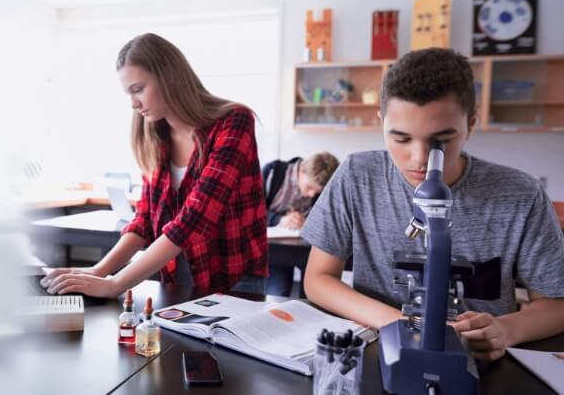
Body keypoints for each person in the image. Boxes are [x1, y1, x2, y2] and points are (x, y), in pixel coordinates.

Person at [302, 48, 564, 361]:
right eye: (400, 138)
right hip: (380, 353)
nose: (419, 159)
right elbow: (317, 279)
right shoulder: (357, 175)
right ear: (381, 122)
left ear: (470, 124)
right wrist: (404, 325)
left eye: (440, 141)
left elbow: (556, 304)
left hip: (481, 364)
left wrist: (507, 329)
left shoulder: (521, 194)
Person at [42, 33, 268, 297]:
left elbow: (196, 218)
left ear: (168, 77)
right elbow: (145, 220)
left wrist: (117, 284)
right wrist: (100, 270)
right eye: (129, 93)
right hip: (177, 274)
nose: (133, 103)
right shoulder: (155, 135)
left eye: (138, 89)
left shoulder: (234, 121)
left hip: (232, 275)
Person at [262, 152, 339, 296]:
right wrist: (279, 220)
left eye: (316, 191)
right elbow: (250, 212)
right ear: (301, 170)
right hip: (276, 251)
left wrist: (308, 222)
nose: (311, 194)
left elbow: (328, 222)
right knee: (279, 294)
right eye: (309, 187)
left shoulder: (324, 189)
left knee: (312, 296)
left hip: (307, 252)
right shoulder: (271, 173)